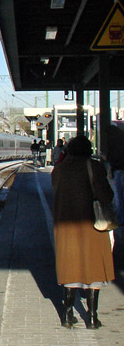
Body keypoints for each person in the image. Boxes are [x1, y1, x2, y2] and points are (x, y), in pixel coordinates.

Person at [51, 136, 115, 329]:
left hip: (66, 226)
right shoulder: (94, 167)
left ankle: (67, 315)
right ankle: (93, 318)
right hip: (92, 226)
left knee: (70, 268)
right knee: (95, 269)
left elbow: (55, 192)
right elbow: (106, 196)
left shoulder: (59, 170)